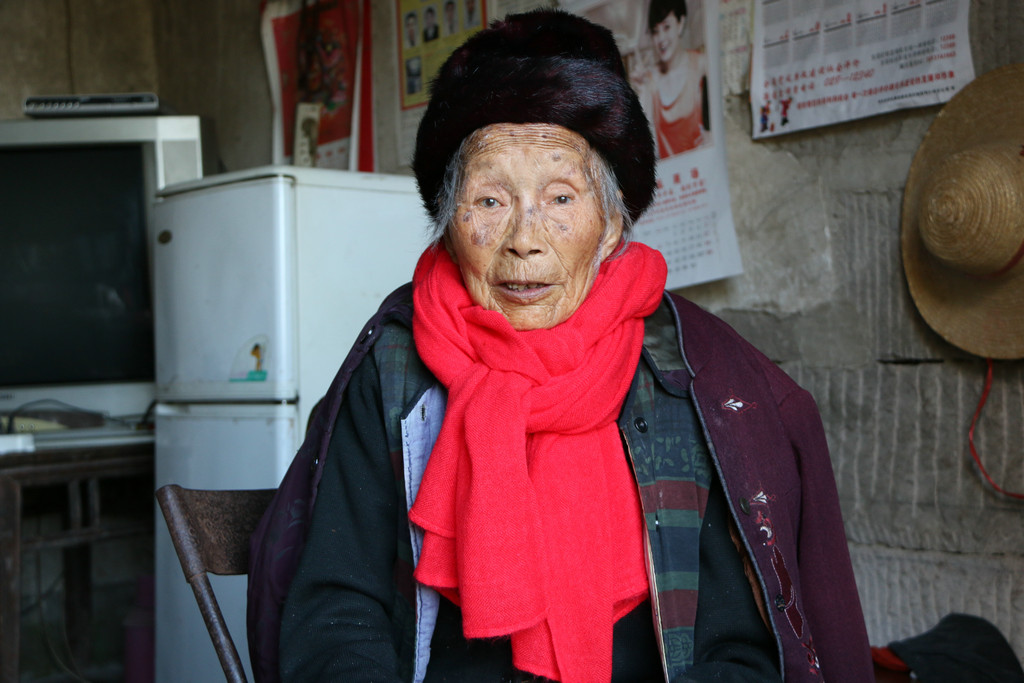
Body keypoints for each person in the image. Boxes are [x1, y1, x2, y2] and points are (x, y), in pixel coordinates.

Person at [277, 9, 873, 683]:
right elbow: (335, 611)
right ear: (449, 225)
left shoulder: (685, 376)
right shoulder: (394, 368)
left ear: (612, 227)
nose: (525, 238)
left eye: (560, 196)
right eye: (490, 200)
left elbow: (736, 648)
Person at [630, 0, 710, 158]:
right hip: (670, 177)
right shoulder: (649, 79)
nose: (661, 39)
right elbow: (646, 146)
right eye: (655, 31)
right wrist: (640, 91)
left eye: (667, 27)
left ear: (680, 23)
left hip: (702, 172)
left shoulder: (701, 65)